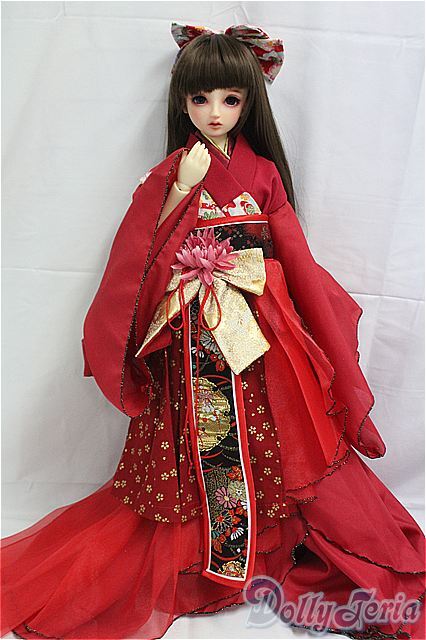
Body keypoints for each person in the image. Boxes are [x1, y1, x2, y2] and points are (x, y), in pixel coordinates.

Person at [1, 22, 425, 640]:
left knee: (268, 433)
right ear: (183, 103)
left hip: (259, 328)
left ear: (249, 102)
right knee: (201, 437)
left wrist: (320, 323)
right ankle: (209, 550)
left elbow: (296, 258)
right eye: (200, 99)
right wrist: (177, 189)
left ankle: (263, 545)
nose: (215, 113)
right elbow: (137, 256)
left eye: (230, 99)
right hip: (192, 330)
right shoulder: (174, 172)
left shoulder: (263, 174)